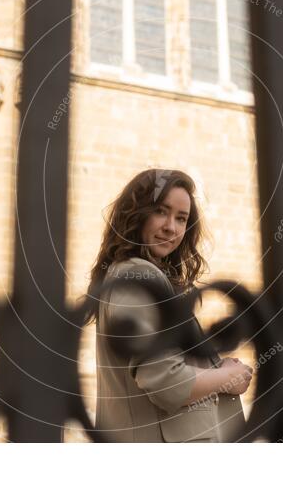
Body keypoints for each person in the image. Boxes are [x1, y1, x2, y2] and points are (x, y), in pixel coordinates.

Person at [85, 168, 253, 442]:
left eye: (181, 218)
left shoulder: (132, 274)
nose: (171, 227)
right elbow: (167, 383)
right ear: (137, 214)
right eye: (161, 212)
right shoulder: (140, 276)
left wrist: (217, 369)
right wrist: (227, 378)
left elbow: (161, 367)